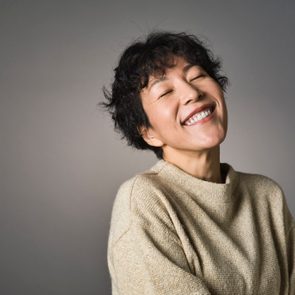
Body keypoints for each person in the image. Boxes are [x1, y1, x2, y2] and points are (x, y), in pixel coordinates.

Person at [102, 31, 295, 295]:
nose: (192, 92)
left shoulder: (266, 195)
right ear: (149, 132)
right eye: (166, 91)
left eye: (197, 76)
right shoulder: (145, 201)